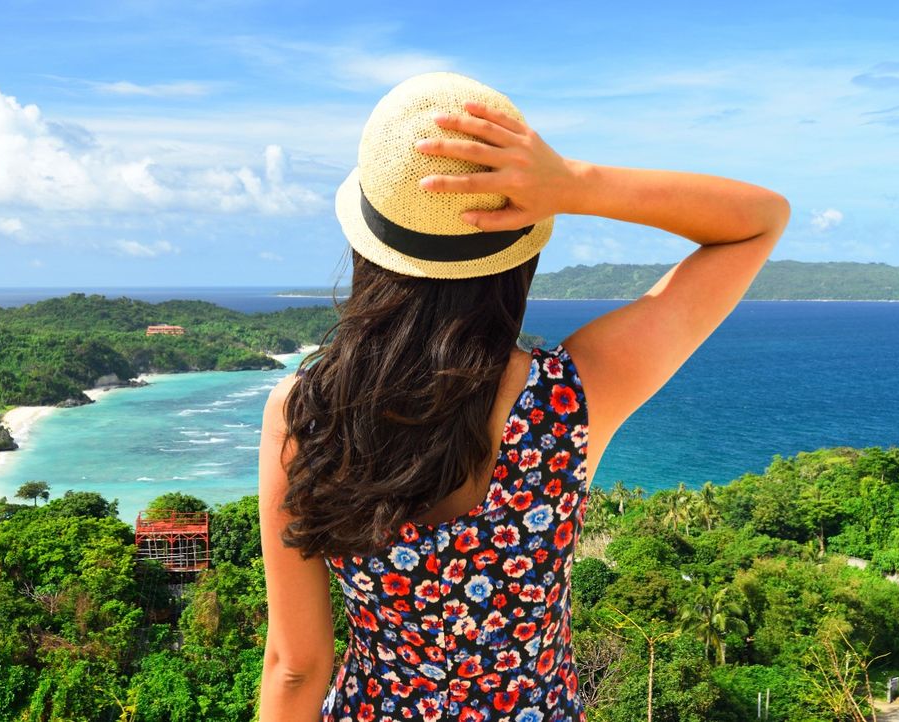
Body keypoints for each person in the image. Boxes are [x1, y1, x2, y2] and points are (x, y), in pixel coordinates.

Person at [256, 71, 790, 721]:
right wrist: (574, 184)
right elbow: (759, 221)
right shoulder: (568, 398)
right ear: (518, 248)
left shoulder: (304, 412)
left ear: (370, 245)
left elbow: (296, 667)